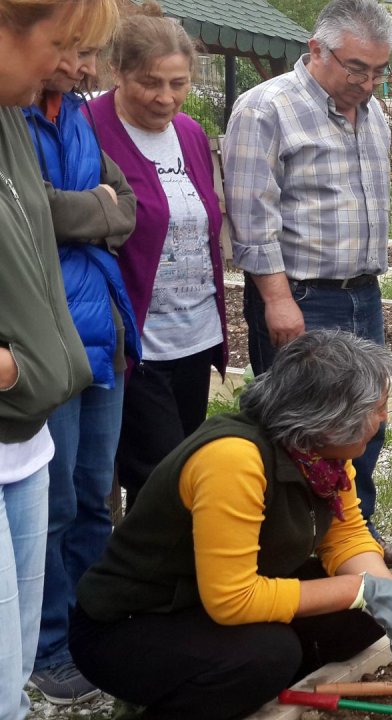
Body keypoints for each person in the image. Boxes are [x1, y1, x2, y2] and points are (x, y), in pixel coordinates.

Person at [69, 330, 392, 720]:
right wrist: (362, 589)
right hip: (131, 624)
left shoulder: (323, 456)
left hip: (199, 599)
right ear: (331, 421)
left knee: (359, 621)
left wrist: (385, 594)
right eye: (377, 408)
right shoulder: (233, 459)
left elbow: (346, 534)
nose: (385, 417)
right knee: (268, 655)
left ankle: (254, 701)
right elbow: (232, 600)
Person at [224, 0, 392, 569]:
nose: (368, 83)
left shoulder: (371, 112)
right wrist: (277, 300)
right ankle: (293, 550)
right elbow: (252, 216)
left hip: (362, 291)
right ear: (316, 49)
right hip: (302, 296)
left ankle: (357, 539)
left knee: (364, 425)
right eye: (356, 68)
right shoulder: (266, 109)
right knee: (304, 432)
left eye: (378, 71)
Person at [0, 0, 116, 714]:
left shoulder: (14, 121)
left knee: (8, 685)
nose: (69, 69)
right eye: (61, 43)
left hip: (25, 444)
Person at [23, 31, 139, 705]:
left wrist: (84, 209)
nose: (88, 68)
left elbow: (123, 208)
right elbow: (26, 211)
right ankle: (47, 645)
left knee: (95, 496)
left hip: (104, 337)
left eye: (93, 54)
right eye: (75, 50)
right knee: (53, 504)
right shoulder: (15, 119)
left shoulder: (76, 116)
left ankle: (92, 630)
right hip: (48, 336)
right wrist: (90, 208)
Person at [88, 3, 228, 503]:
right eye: (151, 82)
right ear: (118, 71)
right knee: (162, 484)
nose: (166, 98)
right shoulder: (90, 127)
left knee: (187, 470)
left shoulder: (189, 133)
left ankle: (174, 577)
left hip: (194, 335)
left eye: (179, 83)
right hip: (136, 342)